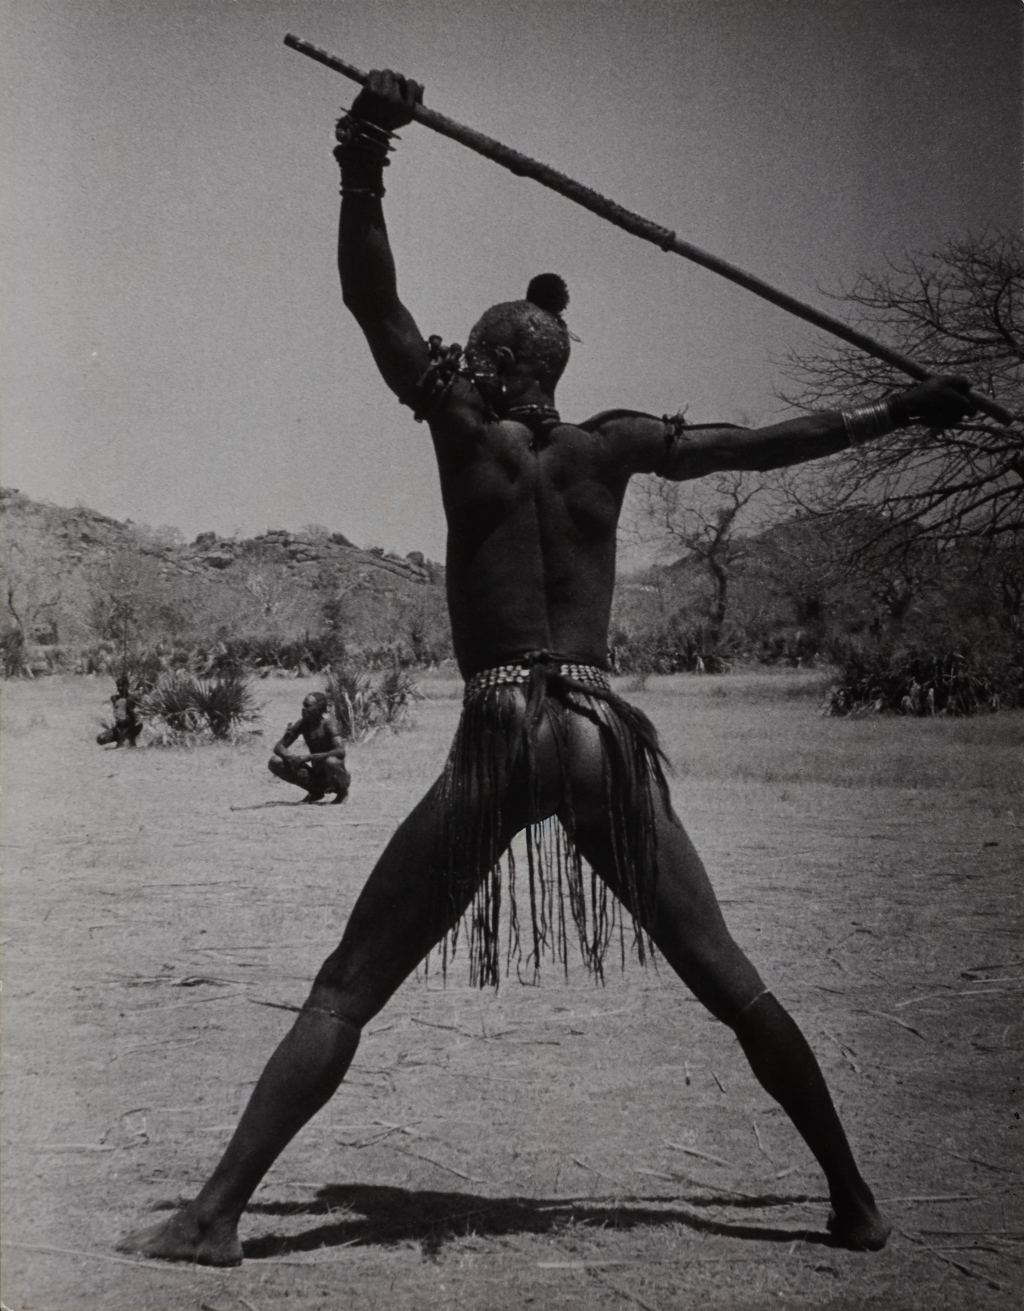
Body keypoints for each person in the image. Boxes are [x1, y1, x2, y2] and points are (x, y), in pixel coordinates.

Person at [119, 71, 977, 1266]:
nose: (455, 368)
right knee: (727, 977)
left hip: (501, 727)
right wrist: (900, 409)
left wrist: (363, 154)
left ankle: (213, 1216)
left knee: (346, 989)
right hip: (595, 724)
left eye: (465, 357)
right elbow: (763, 445)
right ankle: (853, 1201)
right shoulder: (612, 444)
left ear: (481, 365)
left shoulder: (459, 431)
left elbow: (371, 297)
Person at [268, 691, 350, 804]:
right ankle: (316, 792)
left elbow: (340, 751)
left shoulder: (328, 724)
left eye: (307, 706)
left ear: (318, 708)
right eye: (303, 705)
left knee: (330, 762)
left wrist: (309, 758)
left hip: (334, 773)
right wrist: (291, 757)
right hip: (317, 774)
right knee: (275, 761)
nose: (303, 709)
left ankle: (342, 792)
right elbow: (279, 746)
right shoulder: (302, 724)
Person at [96, 675, 144, 748]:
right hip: (118, 728)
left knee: (126, 746)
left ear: (127, 686)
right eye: (118, 686)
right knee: (101, 738)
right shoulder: (114, 698)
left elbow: (136, 717)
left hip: (131, 727)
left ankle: (129, 739)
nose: (120, 688)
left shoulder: (133, 699)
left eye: (122, 686)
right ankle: (120, 739)